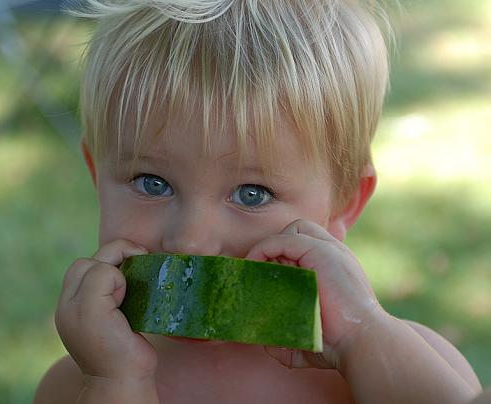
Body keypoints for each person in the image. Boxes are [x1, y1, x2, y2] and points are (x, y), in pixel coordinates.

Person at [34, 0, 483, 403]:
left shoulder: (407, 374)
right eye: (152, 183)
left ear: (344, 204)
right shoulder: (78, 385)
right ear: (97, 176)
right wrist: (117, 384)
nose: (191, 242)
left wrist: (360, 337)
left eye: (252, 194)